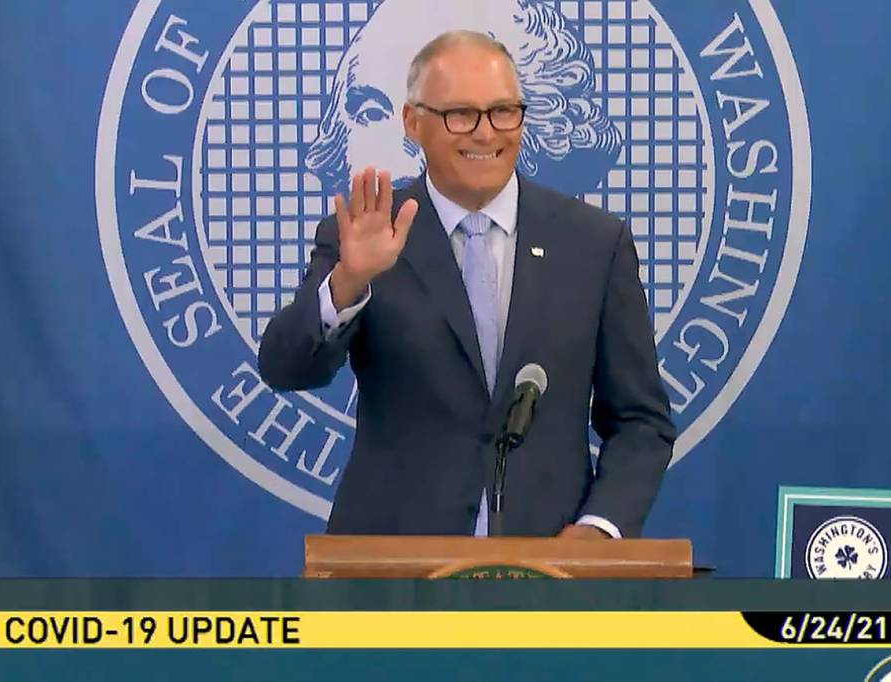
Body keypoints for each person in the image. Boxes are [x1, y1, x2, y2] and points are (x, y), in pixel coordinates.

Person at [259, 30, 675, 539]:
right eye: (460, 114)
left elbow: (641, 420)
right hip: (392, 562)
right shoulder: (368, 233)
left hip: (549, 562)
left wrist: (599, 527)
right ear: (413, 122)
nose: (485, 133)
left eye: (503, 111)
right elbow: (284, 368)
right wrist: (349, 280)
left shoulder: (594, 243)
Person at [303, 0, 621, 197]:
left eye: (459, 112)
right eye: (372, 114)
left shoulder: (597, 245)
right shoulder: (340, 257)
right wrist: (351, 279)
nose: (408, 142)